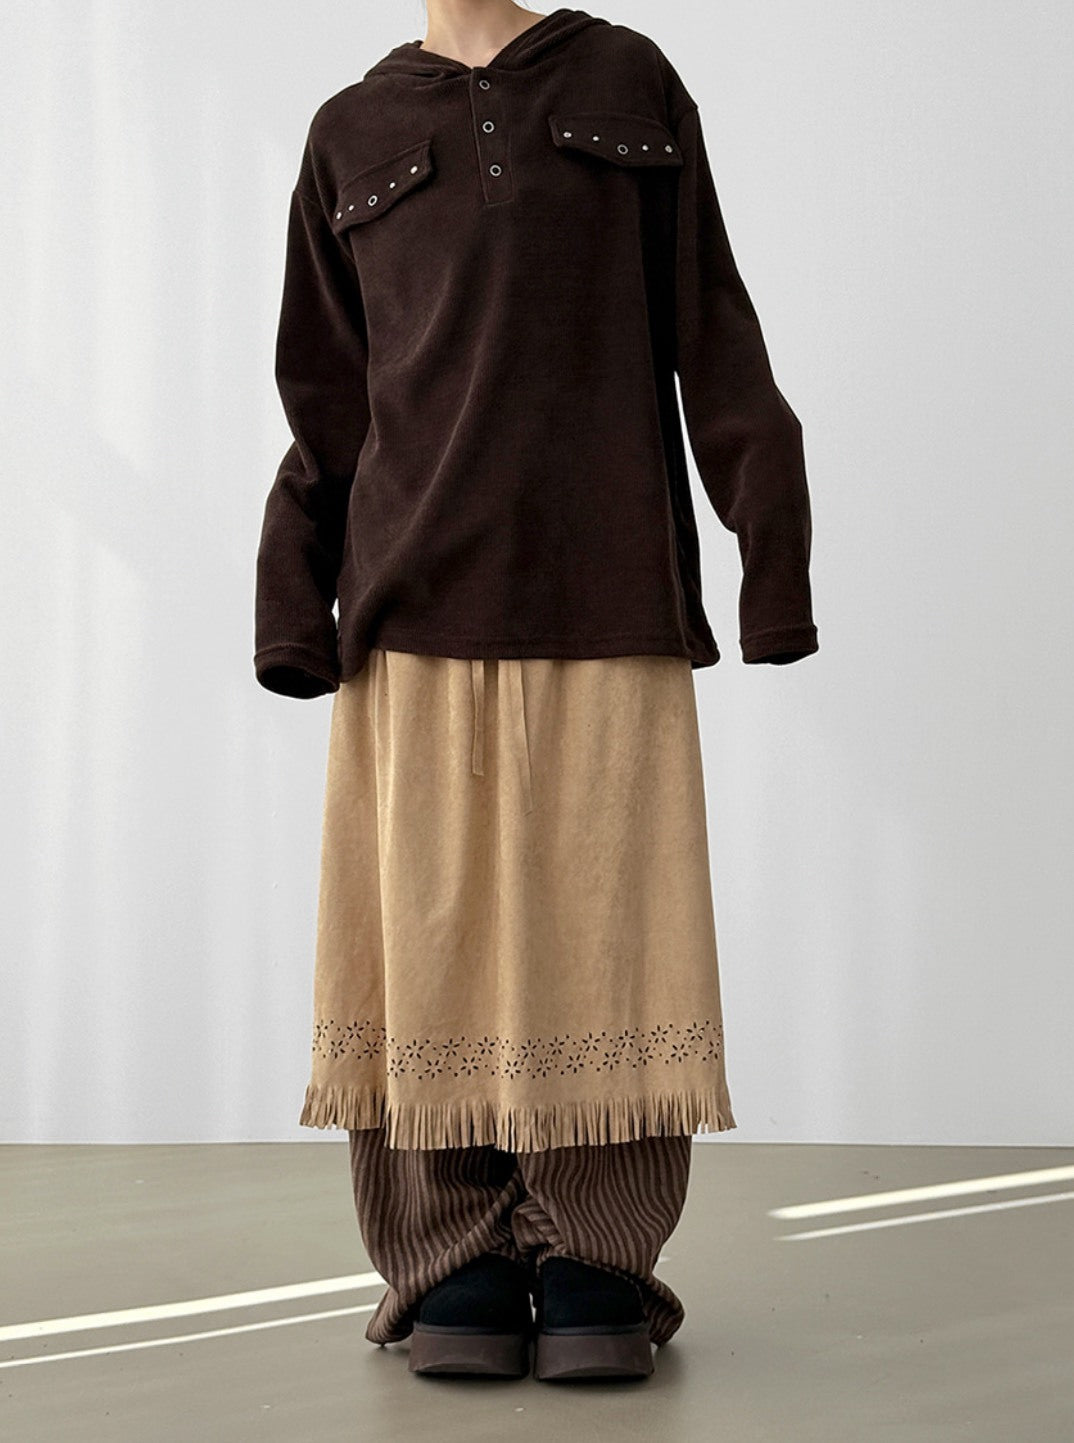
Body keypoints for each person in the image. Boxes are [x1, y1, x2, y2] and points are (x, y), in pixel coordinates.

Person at [253, 1, 818, 1383]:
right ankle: (451, 1251)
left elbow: (712, 330)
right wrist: (293, 603)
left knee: (609, 935)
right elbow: (325, 402)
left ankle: (594, 1256)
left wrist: (772, 560)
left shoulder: (629, 80)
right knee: (424, 940)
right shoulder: (350, 131)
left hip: (607, 592)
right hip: (408, 606)